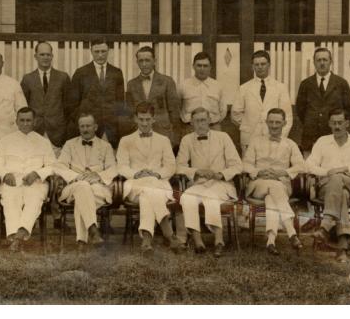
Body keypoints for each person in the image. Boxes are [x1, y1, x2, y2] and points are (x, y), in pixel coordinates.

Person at [306, 109, 350, 263]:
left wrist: (346, 169)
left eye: (340, 123)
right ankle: (342, 247)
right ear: (329, 124)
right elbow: (309, 166)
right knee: (341, 192)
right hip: (327, 186)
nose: (337, 126)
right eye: (333, 123)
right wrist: (328, 171)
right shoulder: (322, 141)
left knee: (339, 180)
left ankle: (325, 226)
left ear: (347, 123)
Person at [116, 101, 183, 254]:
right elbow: (121, 166)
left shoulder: (164, 140)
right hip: (135, 185)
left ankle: (147, 240)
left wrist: (157, 174)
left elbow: (171, 166)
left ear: (153, 119)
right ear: (135, 119)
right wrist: (136, 174)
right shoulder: (125, 141)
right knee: (147, 190)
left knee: (148, 194)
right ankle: (169, 234)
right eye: (141, 119)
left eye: (148, 119)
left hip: (158, 183)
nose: (144, 123)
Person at [176, 107, 242, 257]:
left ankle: (219, 241)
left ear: (210, 121)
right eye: (197, 121)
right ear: (191, 123)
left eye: (204, 120)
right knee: (187, 197)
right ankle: (198, 240)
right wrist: (196, 172)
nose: (201, 124)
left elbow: (237, 165)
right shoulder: (187, 140)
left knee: (211, 196)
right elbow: (179, 166)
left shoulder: (223, 137)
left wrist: (221, 174)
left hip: (221, 184)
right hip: (199, 183)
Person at [242, 108, 304, 254]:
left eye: (278, 122)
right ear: (266, 123)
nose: (274, 126)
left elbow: (301, 165)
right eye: (271, 122)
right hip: (258, 184)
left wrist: (282, 172)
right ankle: (291, 232)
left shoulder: (290, 144)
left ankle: (271, 240)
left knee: (271, 198)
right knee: (273, 187)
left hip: (281, 184)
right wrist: (259, 172)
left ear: (284, 123)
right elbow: (245, 164)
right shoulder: (256, 142)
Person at [0, 107, 56, 252]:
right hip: (12, 182)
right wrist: (5, 174)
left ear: (34, 122)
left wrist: (37, 173)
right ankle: (17, 237)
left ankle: (18, 237)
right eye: (22, 120)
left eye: (29, 120)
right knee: (10, 199)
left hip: (35, 183)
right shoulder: (5, 141)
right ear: (16, 121)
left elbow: (53, 166)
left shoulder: (43, 142)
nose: (25, 123)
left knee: (33, 199)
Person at [55, 112, 116, 246]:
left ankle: (82, 241)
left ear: (95, 127)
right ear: (79, 127)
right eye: (82, 126)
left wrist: (98, 176)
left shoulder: (105, 146)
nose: (85, 129)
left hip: (98, 188)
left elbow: (113, 168)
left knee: (82, 197)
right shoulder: (69, 144)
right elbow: (60, 166)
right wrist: (76, 177)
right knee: (82, 186)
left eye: (88, 126)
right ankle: (93, 230)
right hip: (74, 186)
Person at [295, 47, 350, 153]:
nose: (322, 63)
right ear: (314, 62)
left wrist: (337, 124)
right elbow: (300, 110)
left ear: (330, 62)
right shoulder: (306, 84)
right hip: (310, 138)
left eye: (325, 60)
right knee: (311, 168)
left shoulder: (341, 83)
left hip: (334, 136)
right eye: (318, 60)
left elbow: (349, 109)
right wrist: (312, 122)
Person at [231, 50, 293, 152]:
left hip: (274, 137)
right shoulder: (244, 88)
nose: (260, 67)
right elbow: (235, 113)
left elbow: (288, 116)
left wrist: (279, 135)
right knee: (249, 166)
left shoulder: (280, 87)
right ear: (253, 67)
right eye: (257, 64)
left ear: (269, 65)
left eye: (263, 64)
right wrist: (248, 124)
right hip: (250, 137)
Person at [69, 39, 125, 149]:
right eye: (97, 51)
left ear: (109, 51)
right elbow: (72, 104)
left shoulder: (116, 72)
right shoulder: (81, 73)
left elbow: (120, 103)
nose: (100, 55)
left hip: (111, 129)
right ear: (91, 51)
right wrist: (84, 124)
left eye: (103, 51)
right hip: (89, 130)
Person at [20, 41, 71, 152]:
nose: (45, 57)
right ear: (35, 56)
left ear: (52, 56)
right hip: (35, 130)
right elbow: (24, 106)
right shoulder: (27, 79)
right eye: (42, 54)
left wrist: (65, 130)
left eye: (48, 54)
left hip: (58, 132)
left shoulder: (63, 77)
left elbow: (68, 107)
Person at [125, 46, 181, 147]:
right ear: (137, 62)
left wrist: (174, 137)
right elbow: (130, 112)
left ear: (154, 61)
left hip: (163, 132)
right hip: (140, 133)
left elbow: (174, 112)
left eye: (147, 60)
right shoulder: (131, 84)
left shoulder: (167, 81)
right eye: (141, 61)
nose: (144, 64)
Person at [178, 51, 227, 135]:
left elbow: (223, 110)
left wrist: (212, 122)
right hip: (190, 128)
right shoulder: (183, 85)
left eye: (205, 66)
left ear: (210, 67)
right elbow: (177, 108)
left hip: (213, 127)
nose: (202, 69)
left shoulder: (218, 86)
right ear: (193, 66)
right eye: (199, 65)